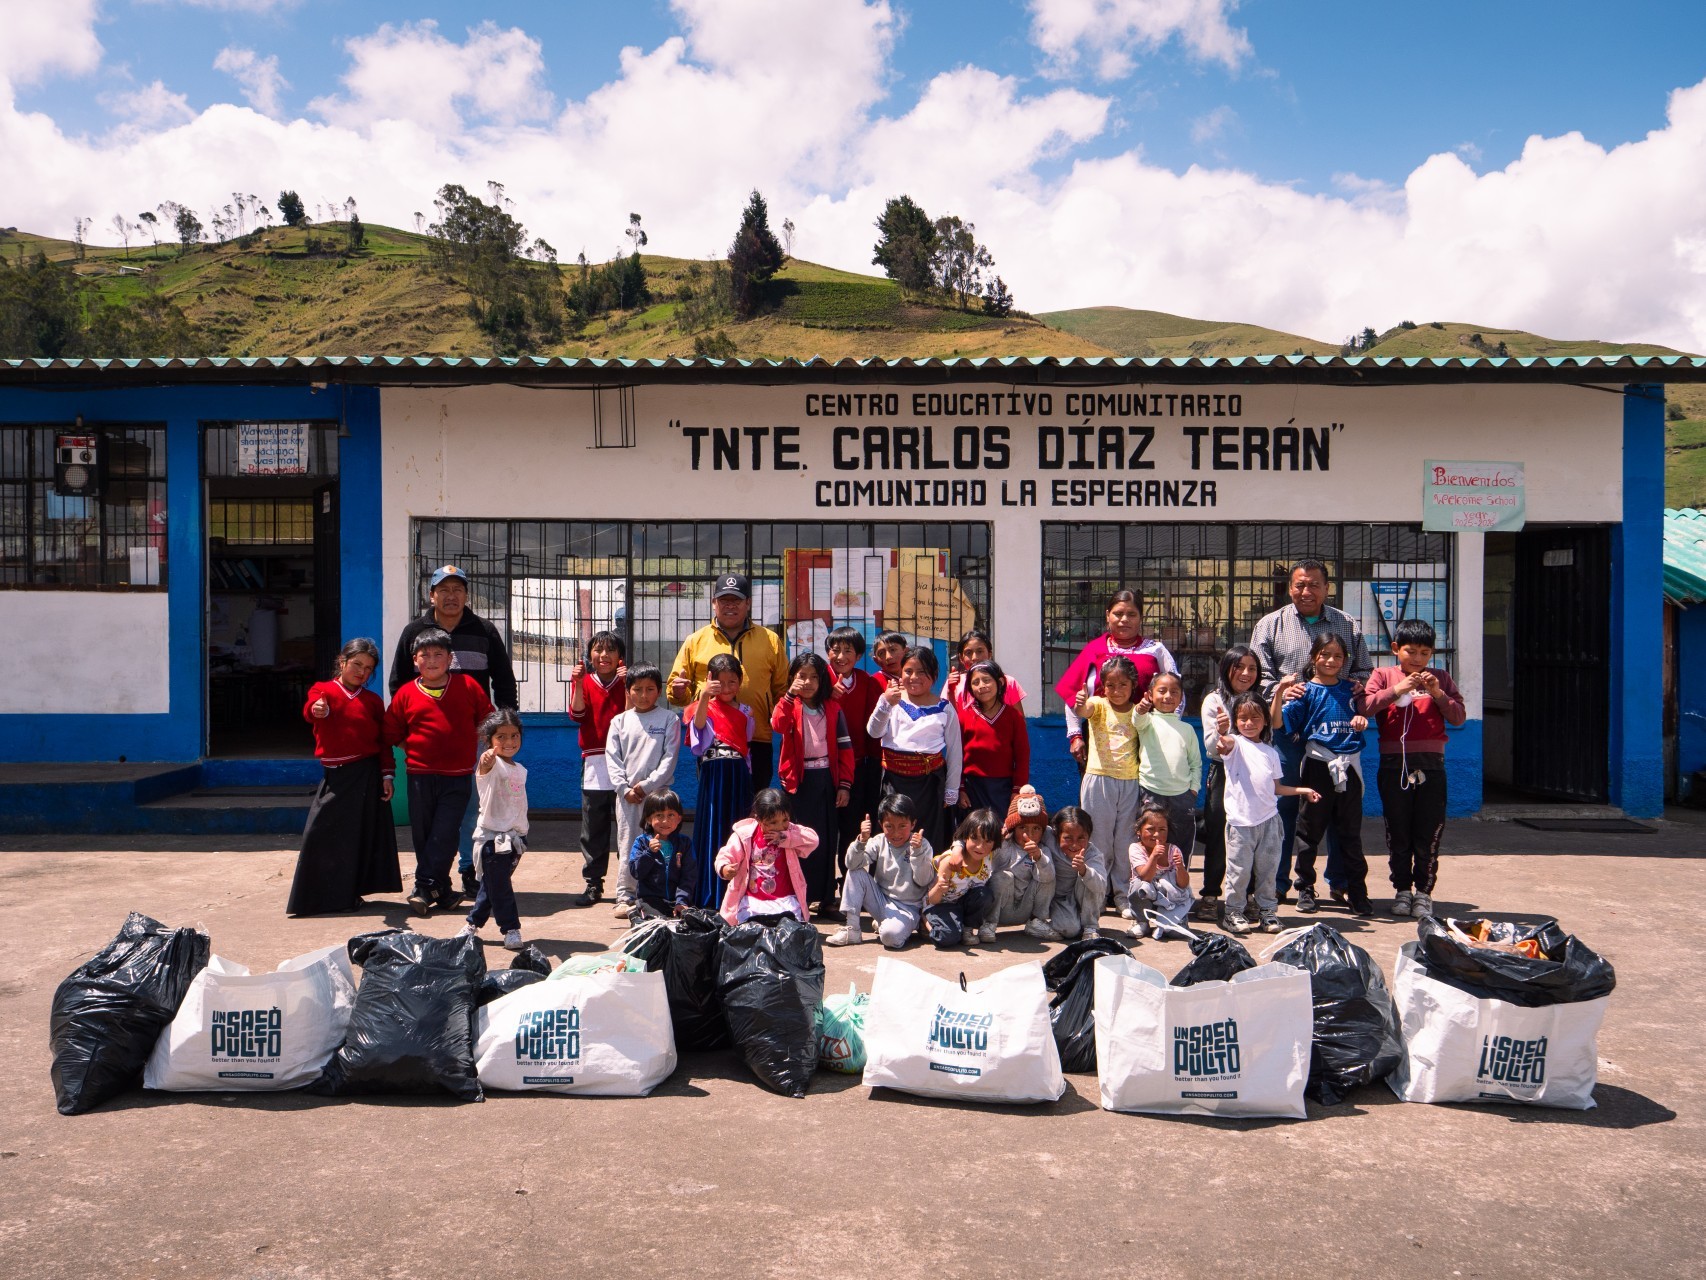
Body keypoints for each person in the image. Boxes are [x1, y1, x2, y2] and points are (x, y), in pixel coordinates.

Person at [389, 564, 518, 902]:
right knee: (433, 820)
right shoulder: (414, 632)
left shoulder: (485, 630)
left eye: (457, 589)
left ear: (466, 594)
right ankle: (437, 882)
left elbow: (504, 682)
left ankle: (469, 873)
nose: (450, 596)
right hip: (426, 749)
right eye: (443, 590)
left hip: (476, 743)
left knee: (471, 812)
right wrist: (410, 737)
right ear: (431, 595)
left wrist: (502, 735)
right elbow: (398, 683)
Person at [1249, 560, 1374, 902]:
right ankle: (1278, 881)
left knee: (1338, 808)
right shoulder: (1269, 625)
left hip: (1335, 734)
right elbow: (1257, 675)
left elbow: (1365, 671)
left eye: (1314, 585)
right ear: (1290, 588)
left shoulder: (1346, 625)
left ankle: (1340, 881)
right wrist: (1280, 690)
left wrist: (1350, 688)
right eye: (1300, 585)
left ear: (1326, 587)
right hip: (1289, 733)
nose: (1307, 592)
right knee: (1287, 806)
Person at [383, 627, 494, 915]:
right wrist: (411, 749)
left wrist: (487, 749)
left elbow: (488, 721)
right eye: (424, 655)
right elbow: (391, 730)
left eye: (438, 654)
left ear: (449, 659)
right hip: (419, 775)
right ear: (415, 661)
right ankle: (441, 890)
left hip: (457, 775)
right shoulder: (406, 694)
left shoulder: (468, 686)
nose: (431, 661)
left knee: (445, 831)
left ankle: (423, 886)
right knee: (424, 833)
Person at [287, 637, 401, 917]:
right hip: (336, 777)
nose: (361, 672)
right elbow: (312, 709)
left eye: (368, 668)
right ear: (342, 662)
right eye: (357, 664)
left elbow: (384, 742)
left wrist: (387, 774)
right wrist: (318, 710)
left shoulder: (373, 702)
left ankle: (349, 894)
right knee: (320, 834)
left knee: (358, 838)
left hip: (367, 775)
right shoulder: (323, 690)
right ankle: (317, 897)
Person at [1362, 620, 1466, 918]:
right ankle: (1402, 890)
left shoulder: (1441, 678)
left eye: (1424, 652)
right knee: (1398, 829)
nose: (1417, 659)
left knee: (1428, 829)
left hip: (1432, 765)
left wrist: (1437, 694)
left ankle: (1424, 892)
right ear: (1396, 649)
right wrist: (1397, 689)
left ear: (1432, 653)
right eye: (1410, 651)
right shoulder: (1383, 675)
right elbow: (1366, 707)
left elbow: (1458, 717)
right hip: (1395, 764)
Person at [1273, 632, 1373, 916]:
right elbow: (1280, 723)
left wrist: (1361, 719)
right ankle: (1304, 887)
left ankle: (1357, 891)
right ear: (1313, 657)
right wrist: (1280, 693)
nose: (1331, 660)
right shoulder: (1305, 692)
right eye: (1325, 654)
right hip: (1318, 765)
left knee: (1350, 833)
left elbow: (1368, 710)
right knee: (1309, 831)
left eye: (1338, 656)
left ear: (1346, 660)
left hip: (1349, 767)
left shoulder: (1353, 690)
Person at [1211, 692, 1320, 935]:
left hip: (1270, 822)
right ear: (1236, 721)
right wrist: (1222, 733)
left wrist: (1304, 790)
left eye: (1255, 718)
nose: (1249, 723)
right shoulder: (1235, 744)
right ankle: (1234, 913)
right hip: (1241, 823)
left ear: (1265, 721)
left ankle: (1267, 913)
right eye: (1243, 718)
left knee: (1268, 871)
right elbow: (1224, 746)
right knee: (1238, 872)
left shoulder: (1270, 753)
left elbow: (1277, 787)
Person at [668, 572, 789, 788]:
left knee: (754, 806)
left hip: (757, 738)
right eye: (724, 600)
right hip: (713, 740)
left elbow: (782, 689)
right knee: (718, 803)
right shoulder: (695, 641)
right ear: (714, 603)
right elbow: (676, 691)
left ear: (748, 603)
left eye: (736, 600)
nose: (730, 606)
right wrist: (678, 692)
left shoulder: (770, 640)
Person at [770, 651, 855, 917]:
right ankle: (798, 897)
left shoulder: (832, 707)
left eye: (813, 677)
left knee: (825, 840)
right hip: (798, 781)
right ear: (792, 678)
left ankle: (827, 898)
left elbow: (844, 747)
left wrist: (844, 784)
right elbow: (777, 724)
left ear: (822, 681)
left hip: (825, 780)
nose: (807, 682)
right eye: (801, 676)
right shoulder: (789, 705)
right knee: (796, 840)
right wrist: (787, 696)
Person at [1053, 590, 1177, 770]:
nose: (1124, 619)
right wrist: (1076, 736)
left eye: (1131, 614)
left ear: (1140, 618)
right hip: (1099, 743)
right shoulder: (1094, 649)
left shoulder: (1156, 650)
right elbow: (1074, 696)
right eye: (1118, 614)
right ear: (1107, 616)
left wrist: (1169, 730)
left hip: (1147, 738)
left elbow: (1175, 691)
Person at [867, 645, 962, 855]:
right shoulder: (891, 700)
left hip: (929, 785)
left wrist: (952, 790)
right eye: (908, 671)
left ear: (934, 675)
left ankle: (927, 884)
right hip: (894, 781)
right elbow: (874, 732)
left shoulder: (945, 708)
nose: (914, 677)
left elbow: (955, 752)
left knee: (927, 837)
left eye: (922, 672)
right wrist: (885, 704)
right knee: (893, 834)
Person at [605, 663, 682, 919]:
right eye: (637, 689)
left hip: (658, 796)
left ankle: (659, 894)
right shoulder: (619, 721)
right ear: (628, 691)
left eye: (650, 689)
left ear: (659, 691)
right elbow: (613, 759)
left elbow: (669, 758)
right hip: (627, 797)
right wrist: (624, 788)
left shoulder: (669, 719)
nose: (643, 694)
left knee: (661, 842)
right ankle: (625, 895)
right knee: (629, 843)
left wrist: (647, 786)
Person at [1071, 656, 1144, 918]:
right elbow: (1084, 711)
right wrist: (1080, 704)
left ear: (1133, 685)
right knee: (1099, 840)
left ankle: (1123, 896)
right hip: (1098, 780)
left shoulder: (1138, 712)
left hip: (1129, 782)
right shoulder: (1099, 706)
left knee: (1125, 840)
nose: (1116, 690)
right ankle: (1097, 893)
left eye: (1122, 684)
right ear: (1103, 687)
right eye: (1110, 685)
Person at [1196, 645, 1263, 923]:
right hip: (1223, 775)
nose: (1246, 673)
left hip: (1253, 776)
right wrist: (1223, 733)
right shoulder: (1214, 701)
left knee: (1251, 836)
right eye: (1239, 667)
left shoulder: (1259, 699)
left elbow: (1267, 737)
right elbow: (1212, 747)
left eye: (1252, 668)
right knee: (1217, 834)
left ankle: (1248, 896)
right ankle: (1211, 895)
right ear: (1226, 669)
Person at [686, 652, 756, 909]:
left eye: (732, 682)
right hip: (714, 775)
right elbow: (700, 727)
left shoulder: (747, 711)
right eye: (719, 682)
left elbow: (746, 743)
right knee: (713, 827)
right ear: (709, 679)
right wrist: (704, 695)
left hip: (738, 775)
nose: (726, 688)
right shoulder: (701, 707)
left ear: (740, 681)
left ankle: (739, 894)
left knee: (736, 828)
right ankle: (710, 893)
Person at [825, 794, 936, 949]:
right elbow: (851, 863)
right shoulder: (879, 841)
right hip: (881, 901)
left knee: (890, 937)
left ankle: (900, 925)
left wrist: (916, 854)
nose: (896, 833)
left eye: (902, 826)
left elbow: (924, 880)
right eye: (889, 826)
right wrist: (861, 841)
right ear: (881, 824)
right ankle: (853, 929)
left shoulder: (921, 845)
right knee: (855, 871)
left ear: (913, 824)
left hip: (908, 908)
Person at [459, 709, 529, 950]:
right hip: (492, 840)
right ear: (488, 741)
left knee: (492, 886)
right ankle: (511, 929)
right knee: (500, 887)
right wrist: (486, 759)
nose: (509, 742)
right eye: (501, 737)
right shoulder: (491, 765)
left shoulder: (520, 769)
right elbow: (485, 765)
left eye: (514, 736)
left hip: (516, 839)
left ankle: (472, 925)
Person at [568, 629, 627, 905]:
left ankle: (628, 883)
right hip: (593, 760)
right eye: (598, 650)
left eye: (610, 651)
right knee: (594, 825)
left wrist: (628, 687)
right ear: (590, 655)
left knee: (627, 824)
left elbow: (630, 718)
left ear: (620, 657)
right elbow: (577, 714)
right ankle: (594, 883)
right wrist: (578, 684)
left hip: (625, 760)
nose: (604, 656)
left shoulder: (628, 682)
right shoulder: (585, 681)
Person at [825, 625, 885, 896]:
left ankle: (854, 884)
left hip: (860, 766)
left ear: (859, 655)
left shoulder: (868, 683)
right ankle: (823, 888)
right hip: (824, 767)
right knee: (825, 828)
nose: (840, 656)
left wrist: (874, 764)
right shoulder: (819, 680)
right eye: (835, 650)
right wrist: (826, 695)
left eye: (847, 651)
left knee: (855, 826)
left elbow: (874, 728)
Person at [714, 788, 819, 926]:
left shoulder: (790, 831)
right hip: (753, 901)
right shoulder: (745, 835)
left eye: (785, 820)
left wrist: (785, 837)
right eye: (773, 822)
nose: (780, 826)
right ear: (758, 819)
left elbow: (813, 840)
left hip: (784, 899)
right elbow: (726, 854)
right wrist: (724, 867)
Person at [1130, 670, 1202, 873]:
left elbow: (1195, 763)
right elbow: (1137, 719)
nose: (1168, 696)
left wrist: (1193, 789)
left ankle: (1179, 890)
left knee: (1181, 845)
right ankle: (1150, 886)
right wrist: (1141, 709)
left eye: (1174, 692)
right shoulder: (1148, 721)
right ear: (1151, 695)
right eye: (1162, 691)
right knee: (1150, 842)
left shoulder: (1186, 729)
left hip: (1182, 797)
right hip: (1151, 793)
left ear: (1181, 698)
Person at [955, 659, 1030, 817]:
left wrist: (1017, 789)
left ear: (1000, 682)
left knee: (1001, 833)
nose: (981, 686)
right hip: (972, 787)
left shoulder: (1013, 716)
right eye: (975, 682)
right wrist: (960, 788)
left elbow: (1022, 755)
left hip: (1003, 788)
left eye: (987, 680)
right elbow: (957, 754)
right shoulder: (964, 716)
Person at [990, 784, 1060, 940]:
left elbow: (1048, 878)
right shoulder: (1004, 845)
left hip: (1025, 910)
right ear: (1013, 829)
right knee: (1003, 876)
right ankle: (989, 924)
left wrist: (1039, 858)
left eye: (1036, 828)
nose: (1029, 834)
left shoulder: (1043, 850)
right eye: (1022, 827)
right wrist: (998, 840)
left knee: (1048, 873)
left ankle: (1036, 922)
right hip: (1001, 909)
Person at [923, 809, 1000, 947]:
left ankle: (967, 928)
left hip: (961, 904)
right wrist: (940, 888)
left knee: (985, 894)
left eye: (987, 841)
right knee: (947, 938)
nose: (980, 846)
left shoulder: (988, 856)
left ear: (994, 843)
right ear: (965, 837)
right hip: (939, 904)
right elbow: (932, 899)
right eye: (975, 838)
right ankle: (923, 922)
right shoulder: (950, 862)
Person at [1128, 803, 1194, 941]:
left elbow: (1183, 884)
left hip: (1169, 900)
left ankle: (1167, 922)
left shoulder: (1173, 850)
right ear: (1138, 831)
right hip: (1147, 896)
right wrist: (1154, 857)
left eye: (1162, 829)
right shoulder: (1135, 848)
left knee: (1175, 934)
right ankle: (1142, 921)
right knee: (1139, 885)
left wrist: (1180, 868)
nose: (1157, 834)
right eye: (1150, 829)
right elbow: (1144, 876)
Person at [628, 790, 695, 920]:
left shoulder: (684, 843)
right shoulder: (641, 842)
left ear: (679, 818)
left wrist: (682, 901)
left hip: (677, 899)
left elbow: (689, 875)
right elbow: (636, 872)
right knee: (656, 924)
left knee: (690, 923)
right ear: (648, 818)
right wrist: (649, 853)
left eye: (671, 815)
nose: (665, 821)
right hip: (650, 900)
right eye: (659, 815)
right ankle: (636, 910)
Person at [1045, 805, 1107, 941]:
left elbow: (1101, 887)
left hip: (1081, 899)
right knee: (1070, 930)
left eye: (1081, 838)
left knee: (1089, 876)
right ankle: (1041, 921)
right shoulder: (1048, 838)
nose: (1074, 845)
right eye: (1068, 838)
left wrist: (1084, 870)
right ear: (1057, 835)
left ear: (1089, 836)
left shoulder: (1092, 854)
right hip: (1056, 899)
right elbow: (1031, 821)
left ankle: (1090, 926)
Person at [941, 628, 1028, 709]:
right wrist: (950, 691)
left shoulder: (1008, 682)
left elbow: (1020, 722)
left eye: (980, 651)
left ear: (990, 654)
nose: (975, 657)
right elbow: (949, 719)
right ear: (961, 658)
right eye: (968, 652)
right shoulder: (954, 683)